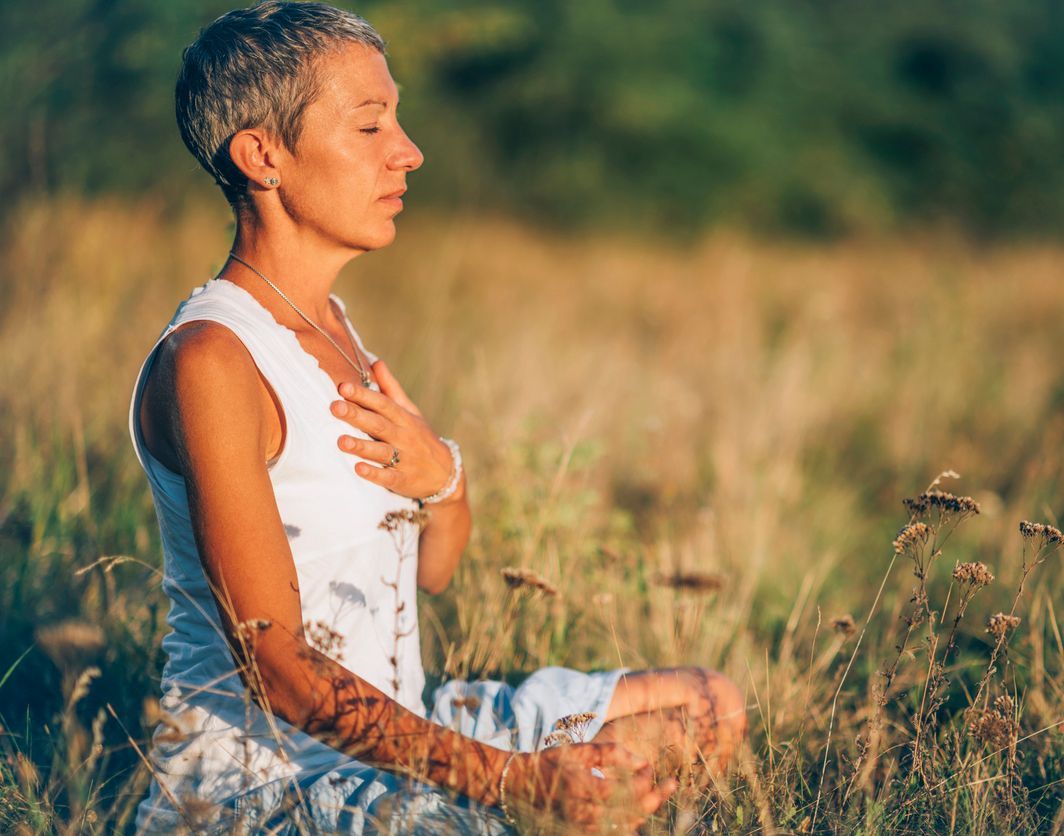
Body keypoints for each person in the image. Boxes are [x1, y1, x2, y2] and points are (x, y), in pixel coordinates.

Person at [128, 2, 747, 832]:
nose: (408, 151)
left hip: (400, 724)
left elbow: (435, 571)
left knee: (707, 706)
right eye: (370, 124)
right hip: (263, 789)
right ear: (263, 155)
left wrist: (445, 481)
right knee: (538, 809)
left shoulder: (333, 325)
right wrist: (512, 780)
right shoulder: (211, 360)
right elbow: (274, 666)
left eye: (400, 119)